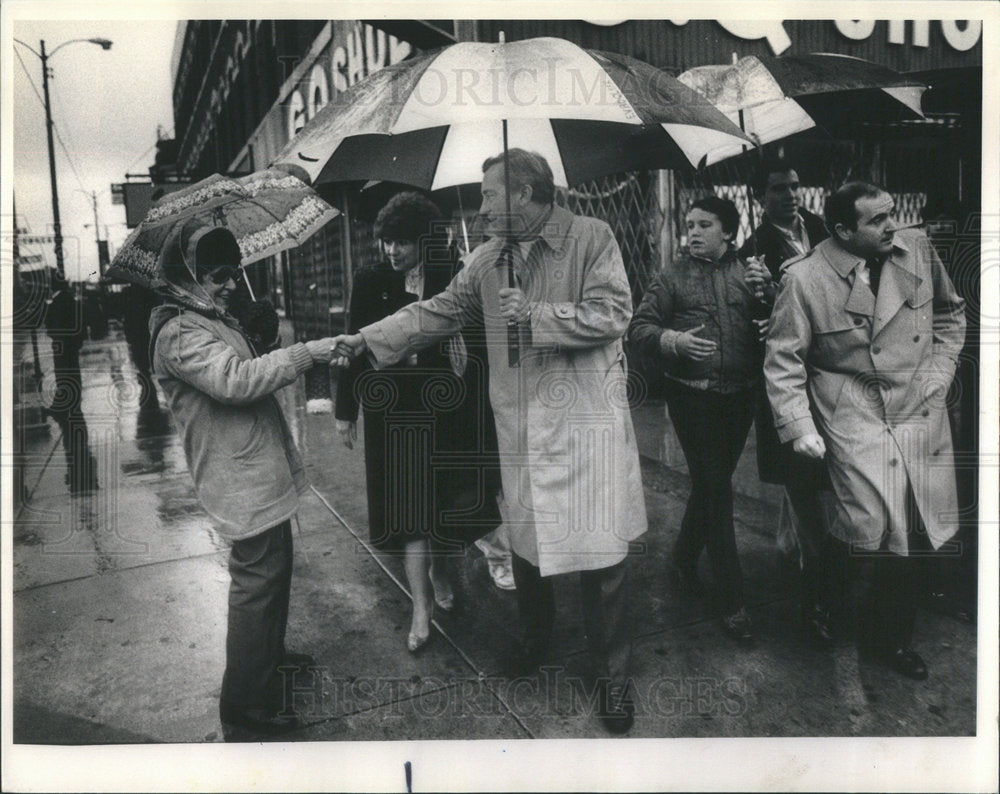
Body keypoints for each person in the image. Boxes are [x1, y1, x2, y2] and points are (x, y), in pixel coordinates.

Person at [333, 149, 648, 734]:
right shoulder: (486, 260)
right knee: (528, 553)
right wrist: (366, 338)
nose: (481, 208)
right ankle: (533, 643)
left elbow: (614, 313)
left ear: (524, 194)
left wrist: (534, 314)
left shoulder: (592, 236)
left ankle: (612, 678)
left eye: (489, 195)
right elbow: (440, 310)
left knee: (601, 562)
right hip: (522, 430)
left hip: (584, 427)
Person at [764, 181, 966, 680]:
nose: (891, 225)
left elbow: (949, 313)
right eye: (876, 220)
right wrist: (798, 427)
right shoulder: (805, 278)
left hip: (918, 408)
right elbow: (783, 361)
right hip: (852, 412)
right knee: (868, 524)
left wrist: (938, 377)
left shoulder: (916, 249)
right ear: (841, 230)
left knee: (911, 528)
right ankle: (821, 600)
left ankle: (892, 639)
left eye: (892, 212)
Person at [149, 222, 342, 738]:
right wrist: (304, 353)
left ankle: (268, 658)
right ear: (186, 277)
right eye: (218, 275)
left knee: (273, 573)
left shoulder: (207, 316)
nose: (231, 283)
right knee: (256, 582)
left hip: (256, 468)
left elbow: (244, 362)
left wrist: (258, 337)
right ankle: (245, 703)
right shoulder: (180, 330)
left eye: (235, 272)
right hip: (238, 476)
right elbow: (234, 380)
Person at [334, 191, 502, 653]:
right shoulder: (370, 280)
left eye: (402, 242)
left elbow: (478, 342)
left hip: (447, 410)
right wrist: (345, 411)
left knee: (444, 506)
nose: (391, 251)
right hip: (394, 412)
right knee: (410, 514)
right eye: (386, 241)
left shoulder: (455, 274)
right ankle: (421, 608)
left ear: (424, 241)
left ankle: (442, 571)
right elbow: (351, 348)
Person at [629, 195, 766, 645]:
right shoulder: (671, 275)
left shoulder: (750, 272)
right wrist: (672, 341)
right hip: (693, 400)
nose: (692, 232)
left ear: (728, 231)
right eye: (689, 224)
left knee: (710, 485)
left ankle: (685, 560)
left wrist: (771, 298)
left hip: (741, 396)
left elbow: (777, 325)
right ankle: (733, 599)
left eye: (703, 224)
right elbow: (639, 328)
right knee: (717, 489)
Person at [738, 157, 833, 647]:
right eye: (778, 189)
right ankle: (816, 579)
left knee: (822, 471)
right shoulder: (752, 250)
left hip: (834, 368)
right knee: (800, 471)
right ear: (761, 197)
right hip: (792, 374)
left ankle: (793, 541)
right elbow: (758, 326)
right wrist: (767, 296)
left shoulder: (823, 228)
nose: (790, 195)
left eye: (795, 185)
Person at [44, 270, 99, 493]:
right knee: (71, 375)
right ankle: (66, 400)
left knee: (63, 376)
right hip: (71, 347)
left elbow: (51, 327)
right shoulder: (72, 301)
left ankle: (64, 402)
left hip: (61, 346)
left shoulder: (55, 303)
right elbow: (82, 321)